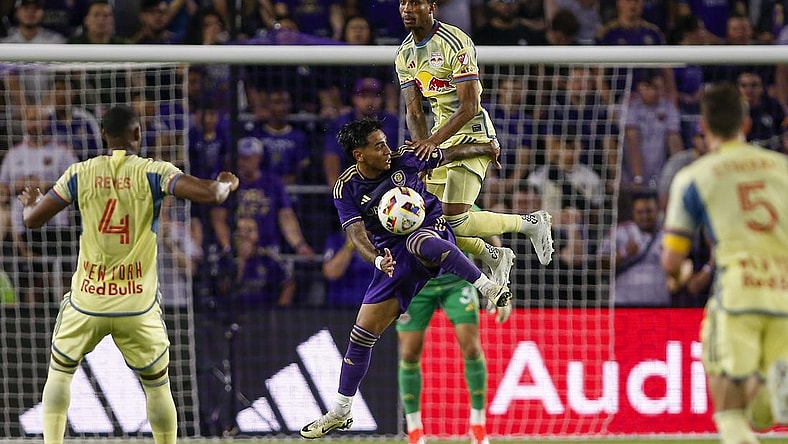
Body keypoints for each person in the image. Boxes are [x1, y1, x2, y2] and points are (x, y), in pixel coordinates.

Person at [16, 104, 239, 444]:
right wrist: (225, 182)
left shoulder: (79, 173)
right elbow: (211, 194)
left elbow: (32, 221)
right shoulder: (154, 173)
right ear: (138, 134)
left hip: (88, 300)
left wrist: (31, 202)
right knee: (157, 385)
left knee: (59, 374)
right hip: (137, 305)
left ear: (103, 135)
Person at [299, 118, 511, 439]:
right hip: (392, 259)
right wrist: (377, 260)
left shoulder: (405, 159)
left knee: (419, 241)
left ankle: (488, 287)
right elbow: (357, 236)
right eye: (378, 145)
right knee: (361, 336)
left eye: (385, 142)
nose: (387, 149)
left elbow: (452, 153)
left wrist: (486, 147)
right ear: (360, 155)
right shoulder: (346, 189)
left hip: (432, 230)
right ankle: (341, 409)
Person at [661, 82, 788, 444]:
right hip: (784, 295)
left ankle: (760, 402)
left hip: (738, 297)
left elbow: (672, 259)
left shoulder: (695, 177)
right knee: (761, 415)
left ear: (704, 126)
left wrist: (680, 272)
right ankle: (767, 396)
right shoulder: (782, 168)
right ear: (746, 124)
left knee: (730, 414)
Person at [395, 0, 553, 287]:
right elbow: (414, 112)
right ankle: (494, 255)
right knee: (431, 222)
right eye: (403, 2)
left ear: (431, 6)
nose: (407, 8)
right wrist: (422, 154)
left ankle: (531, 223)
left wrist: (431, 142)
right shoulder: (404, 54)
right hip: (440, 138)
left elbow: (470, 106)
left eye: (415, 2)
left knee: (455, 219)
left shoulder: (455, 42)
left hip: (472, 133)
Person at [397, 267, 511, 444]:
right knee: (409, 353)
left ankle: (478, 426)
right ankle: (414, 430)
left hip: (457, 279)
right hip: (416, 283)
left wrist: (499, 283)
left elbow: (491, 241)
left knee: (472, 348)